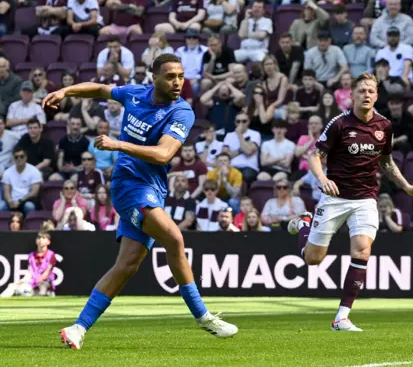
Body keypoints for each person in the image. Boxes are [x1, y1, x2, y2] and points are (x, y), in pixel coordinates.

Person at [41, 53, 237, 349]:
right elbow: (99, 89)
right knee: (174, 238)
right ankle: (202, 316)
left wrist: (118, 143)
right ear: (154, 77)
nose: (177, 82)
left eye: (181, 76)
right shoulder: (135, 94)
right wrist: (66, 91)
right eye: (170, 76)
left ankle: (78, 328)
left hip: (153, 187)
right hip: (129, 186)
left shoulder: (182, 112)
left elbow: (163, 154)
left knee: (127, 266)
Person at [287, 72, 413, 331]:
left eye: (371, 91)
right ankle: (306, 223)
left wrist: (406, 186)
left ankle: (341, 316)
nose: (367, 95)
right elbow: (315, 156)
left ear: (377, 96)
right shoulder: (339, 124)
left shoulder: (384, 126)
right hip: (335, 197)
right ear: (352, 95)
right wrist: (321, 178)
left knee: (362, 250)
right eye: (361, 91)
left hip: (365, 199)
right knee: (313, 259)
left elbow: (386, 162)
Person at [0, 232, 57, 298]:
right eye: (39, 238)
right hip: (32, 284)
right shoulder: (31, 255)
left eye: (43, 238)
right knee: (12, 286)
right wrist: (19, 282)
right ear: (36, 241)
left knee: (42, 287)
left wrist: (36, 283)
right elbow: (29, 274)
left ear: (48, 242)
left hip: (45, 283)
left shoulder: (51, 255)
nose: (40, 240)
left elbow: (47, 273)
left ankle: (46, 294)